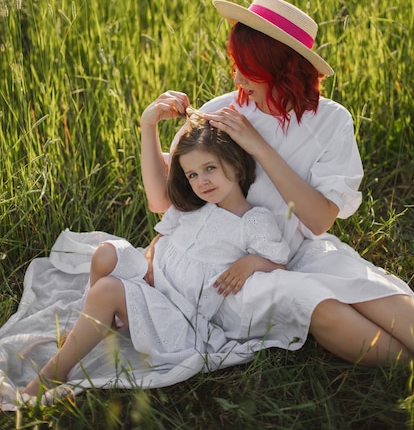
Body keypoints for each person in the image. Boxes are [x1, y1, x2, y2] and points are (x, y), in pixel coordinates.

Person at [140, 0, 414, 366]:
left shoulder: (331, 121)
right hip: (237, 262)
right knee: (323, 306)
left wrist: (260, 148)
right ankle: (410, 373)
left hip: (297, 248)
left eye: (248, 68)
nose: (236, 77)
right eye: (235, 64)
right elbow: (164, 200)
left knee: (375, 290)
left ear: (283, 70)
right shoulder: (221, 111)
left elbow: (318, 221)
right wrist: (148, 126)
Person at [22, 111, 289, 398]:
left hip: (179, 313)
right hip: (152, 280)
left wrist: (250, 262)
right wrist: (150, 254)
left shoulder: (253, 220)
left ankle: (56, 370)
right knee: (105, 254)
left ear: (236, 167)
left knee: (107, 290)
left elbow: (279, 265)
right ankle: (97, 324)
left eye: (210, 168)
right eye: (193, 175)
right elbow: (165, 233)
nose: (202, 181)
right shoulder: (192, 206)